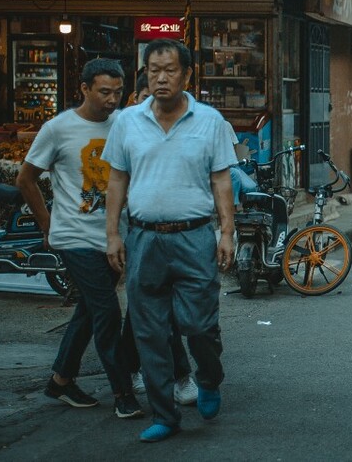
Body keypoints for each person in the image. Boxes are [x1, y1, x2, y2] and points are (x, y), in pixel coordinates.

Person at [103, 39, 236, 443]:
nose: (161, 77)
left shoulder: (209, 121)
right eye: (153, 70)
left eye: (170, 69)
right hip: (144, 239)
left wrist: (227, 231)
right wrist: (112, 234)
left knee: (199, 325)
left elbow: (221, 179)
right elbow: (117, 179)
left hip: (194, 237)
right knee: (149, 332)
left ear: (187, 74)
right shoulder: (127, 121)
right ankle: (165, 415)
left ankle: (209, 379)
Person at [16, 58, 144, 419]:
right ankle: (122, 392)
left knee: (89, 311)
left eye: (118, 92)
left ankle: (60, 381)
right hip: (74, 236)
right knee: (107, 312)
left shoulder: (123, 123)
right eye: (104, 92)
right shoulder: (58, 129)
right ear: (84, 89)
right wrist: (47, 224)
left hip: (114, 236)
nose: (112, 100)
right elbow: (25, 179)